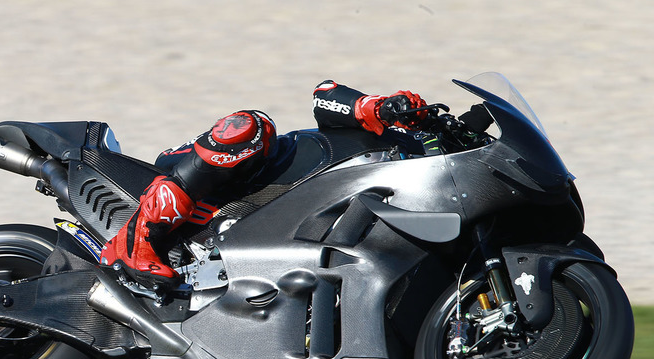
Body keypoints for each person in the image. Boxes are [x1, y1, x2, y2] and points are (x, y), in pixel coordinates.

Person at [99, 80, 485, 289]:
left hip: (285, 230)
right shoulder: (400, 132)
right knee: (250, 125)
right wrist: (380, 106)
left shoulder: (433, 190)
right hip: (249, 179)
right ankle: (135, 243)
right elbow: (325, 95)